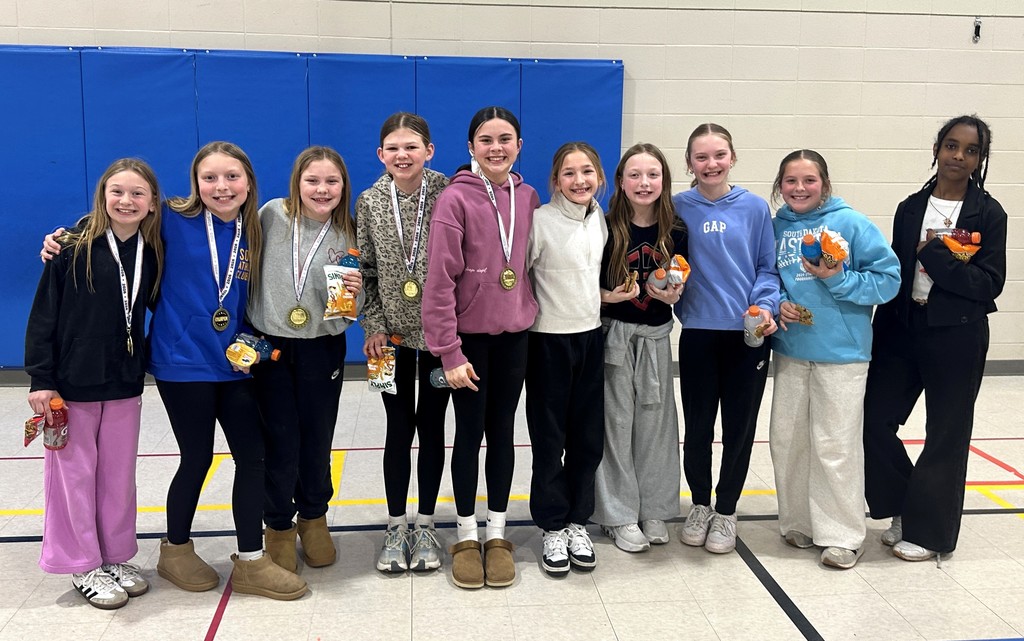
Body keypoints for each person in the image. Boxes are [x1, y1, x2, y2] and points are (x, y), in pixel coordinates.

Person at [863, 115, 1006, 562]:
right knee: (871, 420)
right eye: (951, 145)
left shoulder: (990, 213)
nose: (958, 156)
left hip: (957, 337)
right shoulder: (910, 207)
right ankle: (905, 504)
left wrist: (939, 259)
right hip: (902, 330)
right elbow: (895, 274)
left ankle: (929, 533)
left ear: (980, 159)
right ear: (937, 149)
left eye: (970, 150)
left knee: (946, 433)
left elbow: (989, 284)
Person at [26, 159, 162, 609]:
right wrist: (41, 379)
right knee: (75, 477)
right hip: (71, 385)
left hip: (124, 383)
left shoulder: (153, 249)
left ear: (152, 203)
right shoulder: (69, 247)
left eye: (137, 193)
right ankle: (82, 562)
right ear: (103, 195)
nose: (127, 201)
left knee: (118, 478)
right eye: (117, 191)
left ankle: (116, 555)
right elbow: (44, 314)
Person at [422, 106, 539, 589]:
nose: (496, 148)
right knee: (469, 435)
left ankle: (497, 534)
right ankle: (466, 535)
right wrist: (448, 352)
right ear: (470, 147)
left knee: (504, 434)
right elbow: (438, 282)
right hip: (469, 342)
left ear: (519, 145)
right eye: (486, 140)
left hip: (515, 337)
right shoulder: (454, 199)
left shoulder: (529, 196)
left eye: (505, 138)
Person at [769, 150, 899, 570]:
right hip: (791, 351)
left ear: (825, 183)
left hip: (842, 354)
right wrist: (781, 304)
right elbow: (769, 277)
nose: (799, 189)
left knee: (835, 445)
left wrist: (837, 278)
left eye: (809, 180)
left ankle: (843, 533)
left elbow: (888, 280)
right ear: (780, 186)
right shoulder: (776, 227)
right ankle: (801, 521)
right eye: (791, 181)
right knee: (789, 442)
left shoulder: (852, 224)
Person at [250, 146, 363, 573]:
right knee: (279, 439)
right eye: (312, 180)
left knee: (317, 438)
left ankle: (314, 518)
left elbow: (352, 307)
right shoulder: (270, 216)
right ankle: (277, 525)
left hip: (322, 346)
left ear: (343, 187)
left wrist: (355, 293)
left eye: (331, 182)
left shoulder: (348, 232)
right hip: (270, 346)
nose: (322, 189)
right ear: (297, 182)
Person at [672, 123, 780, 555]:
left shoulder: (754, 208)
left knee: (739, 427)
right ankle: (700, 504)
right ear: (689, 164)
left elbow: (767, 268)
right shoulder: (676, 206)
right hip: (698, 334)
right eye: (701, 157)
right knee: (698, 428)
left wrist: (764, 307)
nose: (711, 164)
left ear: (732, 157)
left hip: (747, 337)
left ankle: (727, 510)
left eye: (719, 155)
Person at [356, 113, 450, 573]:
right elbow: (365, 271)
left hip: (439, 340)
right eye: (393, 148)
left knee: (432, 427)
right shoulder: (369, 201)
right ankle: (396, 526)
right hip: (386, 342)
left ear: (428, 150)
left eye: (411, 146)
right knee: (397, 429)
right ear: (381, 155)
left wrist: (451, 335)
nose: (402, 155)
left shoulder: (449, 191)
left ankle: (427, 523)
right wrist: (372, 326)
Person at [592, 143, 686, 554]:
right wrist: (607, 297)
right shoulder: (604, 226)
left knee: (656, 426)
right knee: (615, 427)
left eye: (652, 175)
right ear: (620, 182)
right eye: (635, 175)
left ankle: (654, 508)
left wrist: (673, 296)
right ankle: (618, 514)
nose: (644, 183)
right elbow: (584, 288)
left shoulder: (676, 229)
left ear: (664, 180)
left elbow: (679, 282)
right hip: (614, 336)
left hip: (655, 339)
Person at [525, 142, 608, 574]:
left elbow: (589, 279)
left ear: (599, 177)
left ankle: (579, 521)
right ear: (555, 181)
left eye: (587, 172)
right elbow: (518, 278)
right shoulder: (539, 222)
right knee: (549, 439)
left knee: (587, 439)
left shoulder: (600, 220)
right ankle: (552, 526)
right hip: (548, 343)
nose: (579, 181)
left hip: (592, 339)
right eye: (570, 173)